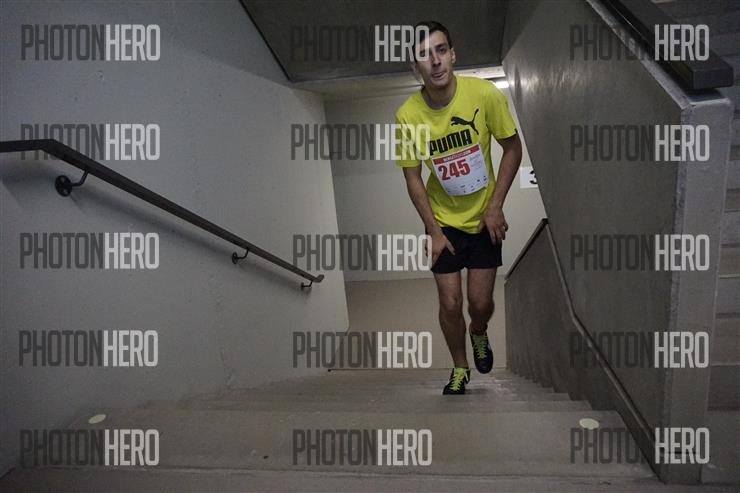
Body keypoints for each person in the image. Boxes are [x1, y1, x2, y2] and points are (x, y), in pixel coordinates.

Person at [395, 21, 522, 394]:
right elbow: (413, 177)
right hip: (443, 221)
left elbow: (512, 148)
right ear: (415, 67)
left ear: (452, 54)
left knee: (479, 304)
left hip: (484, 217)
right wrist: (433, 230)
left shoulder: (484, 94)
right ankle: (460, 367)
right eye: (424, 55)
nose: (435, 61)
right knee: (450, 303)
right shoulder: (407, 116)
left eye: (440, 50)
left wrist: (496, 205)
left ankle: (479, 331)